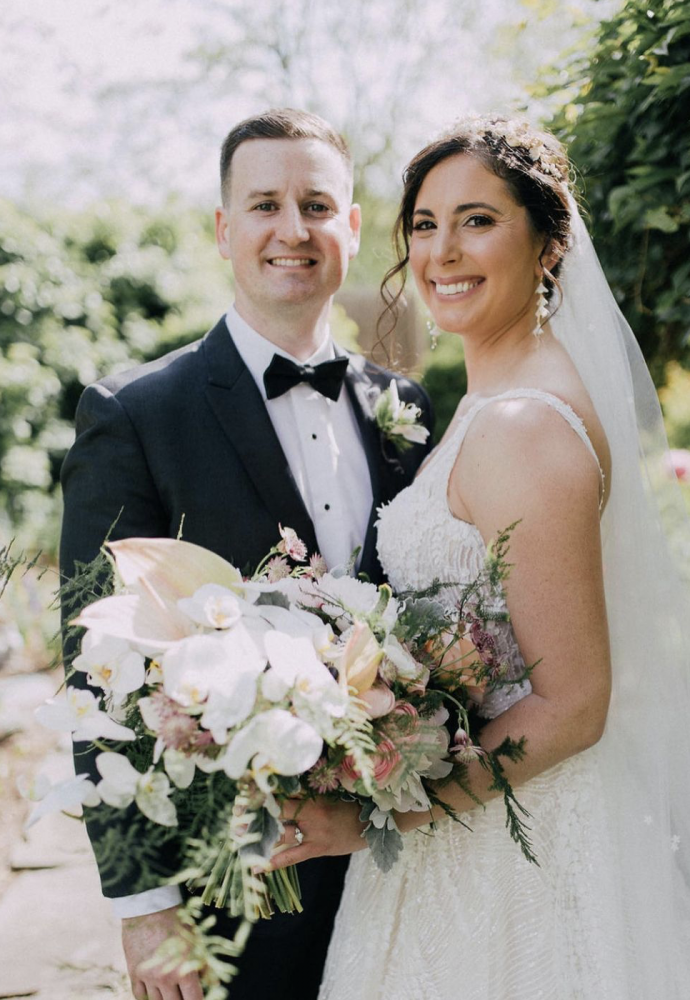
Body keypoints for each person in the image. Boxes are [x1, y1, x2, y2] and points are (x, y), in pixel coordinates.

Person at [273, 115, 690, 999]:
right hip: (483, 823)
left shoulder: (525, 426)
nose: (442, 251)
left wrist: (388, 809)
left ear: (550, 244)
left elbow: (573, 705)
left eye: (478, 220)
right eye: (424, 224)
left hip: (513, 861)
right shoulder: (501, 395)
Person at [58, 108, 433, 1000]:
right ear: (225, 231)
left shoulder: (408, 410)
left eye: (316, 204)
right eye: (264, 204)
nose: (291, 230)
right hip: (237, 883)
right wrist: (145, 905)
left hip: (411, 865)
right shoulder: (136, 413)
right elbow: (95, 673)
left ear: (349, 228)